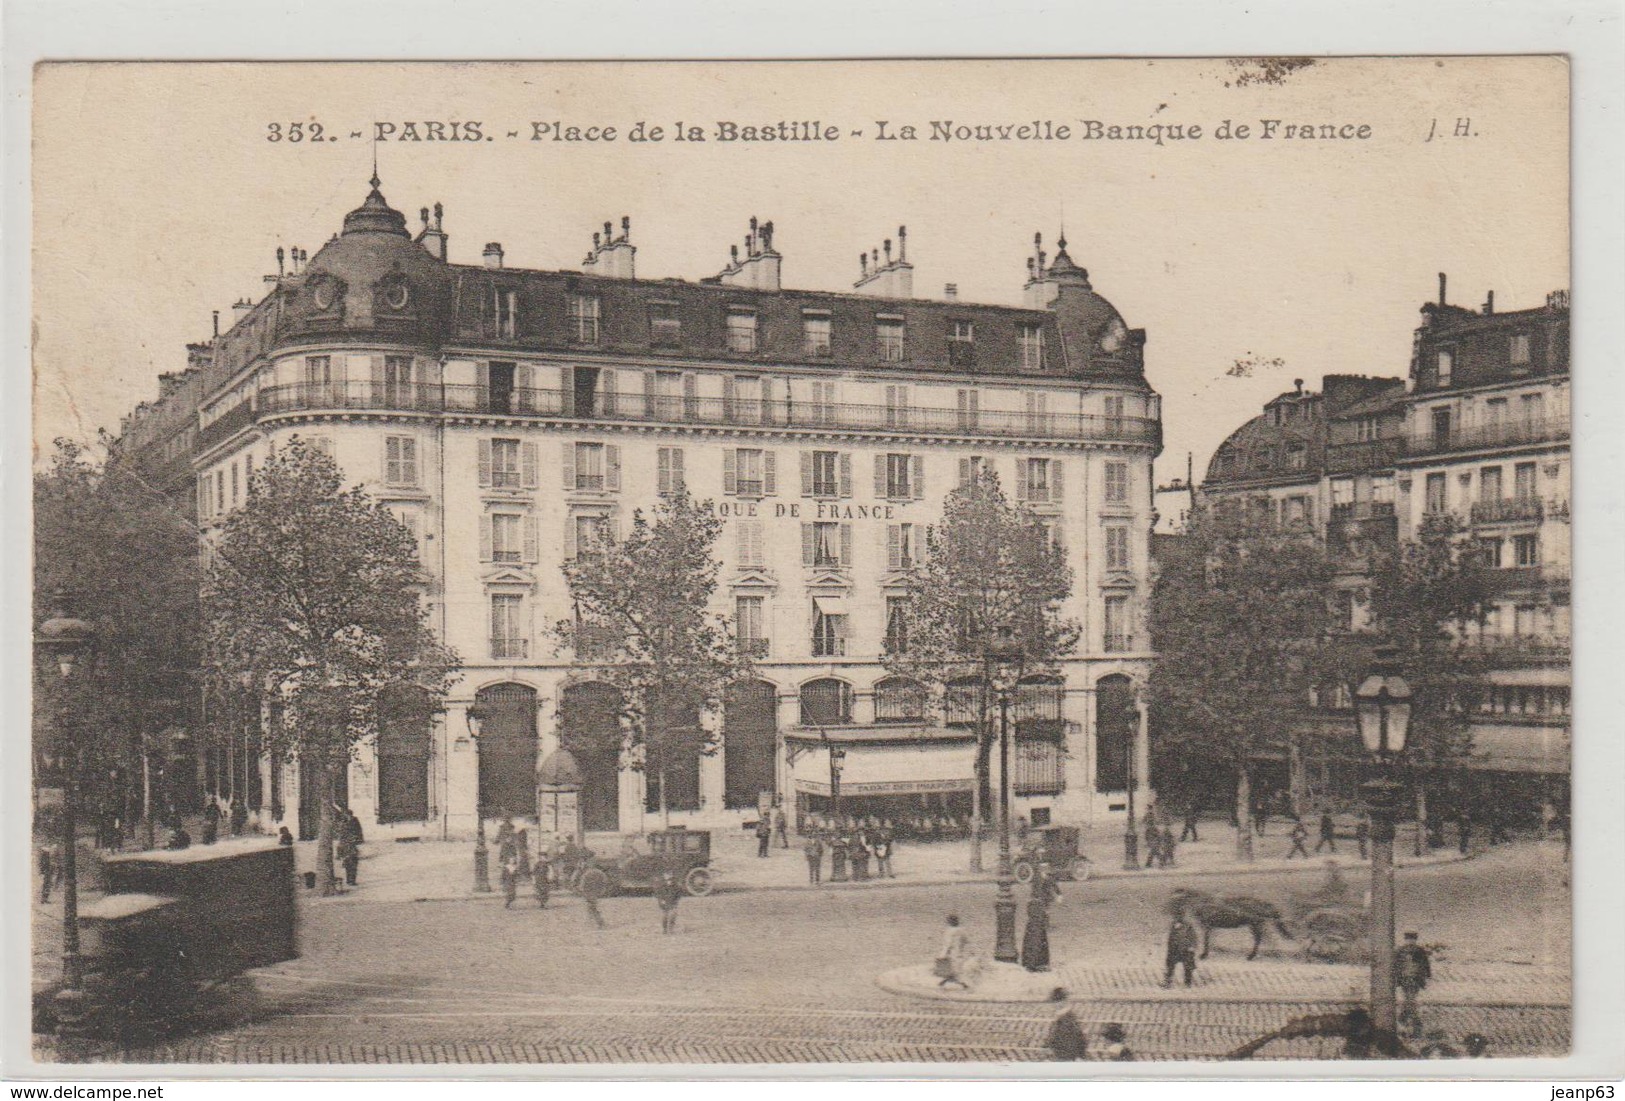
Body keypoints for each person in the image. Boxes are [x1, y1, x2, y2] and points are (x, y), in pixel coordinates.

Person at [1394, 931, 1433, 1039]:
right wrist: (1397, 978)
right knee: (1409, 999)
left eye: (1412, 939)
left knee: (1410, 999)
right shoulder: (1400, 951)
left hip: (1416, 979)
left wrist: (1428, 976)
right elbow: (1396, 965)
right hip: (1404, 979)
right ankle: (1408, 1021)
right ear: (1405, 940)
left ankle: (1405, 1020)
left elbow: (1425, 964)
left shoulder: (1420, 951)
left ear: (1415, 940)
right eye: (1408, 939)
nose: (1410, 941)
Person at [1022, 867, 1059, 972]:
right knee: (1037, 934)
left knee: (1039, 933)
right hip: (1037, 907)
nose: (1046, 869)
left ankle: (1038, 962)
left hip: (1038, 906)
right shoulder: (1038, 878)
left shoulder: (1045, 878)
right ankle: (1034, 962)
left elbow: (1052, 886)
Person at [1044, 990, 1088, 1061]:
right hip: (1062, 1055)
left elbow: (1075, 1038)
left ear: (1063, 1001)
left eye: (1056, 1002)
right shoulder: (1062, 1016)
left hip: (1066, 1056)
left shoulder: (1067, 1018)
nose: (1054, 1005)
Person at [935, 914, 971, 990]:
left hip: (951, 953)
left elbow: (948, 944)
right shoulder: (962, 930)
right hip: (960, 953)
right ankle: (943, 983)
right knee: (956, 970)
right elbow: (967, 941)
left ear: (949, 921)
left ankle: (964, 985)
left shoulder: (949, 931)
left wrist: (942, 954)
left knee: (951, 970)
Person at [1163, 911, 1199, 987]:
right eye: (1176, 916)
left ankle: (1187, 983)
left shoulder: (1188, 926)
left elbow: (1193, 937)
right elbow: (1171, 938)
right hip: (1174, 949)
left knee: (1188, 968)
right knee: (1170, 966)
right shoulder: (1173, 925)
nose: (1177, 918)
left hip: (1186, 950)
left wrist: (1192, 947)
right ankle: (1168, 982)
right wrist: (1170, 947)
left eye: (1179, 916)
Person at [654, 866, 683, 934]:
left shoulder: (675, 883)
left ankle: (671, 929)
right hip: (664, 901)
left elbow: (679, 892)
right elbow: (657, 893)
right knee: (665, 915)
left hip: (673, 901)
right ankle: (664, 929)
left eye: (670, 874)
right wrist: (661, 900)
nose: (668, 876)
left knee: (673, 914)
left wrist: (676, 900)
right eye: (667, 874)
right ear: (664, 875)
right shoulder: (660, 883)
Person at [499, 843, 520, 908]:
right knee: (509, 893)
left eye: (513, 860)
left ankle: (508, 903)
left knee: (513, 894)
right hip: (508, 882)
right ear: (509, 861)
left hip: (513, 883)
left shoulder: (515, 868)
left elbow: (517, 875)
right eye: (511, 860)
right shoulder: (506, 867)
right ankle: (508, 904)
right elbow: (503, 876)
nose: (512, 861)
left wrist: (517, 880)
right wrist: (502, 882)